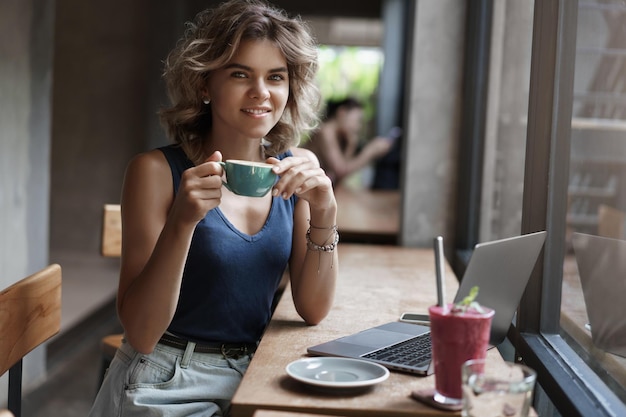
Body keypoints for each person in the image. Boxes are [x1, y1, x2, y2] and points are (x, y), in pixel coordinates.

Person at [88, 1, 338, 416]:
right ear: (205, 85)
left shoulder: (294, 173)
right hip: (165, 382)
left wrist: (326, 212)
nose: (261, 92)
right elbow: (143, 332)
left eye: (275, 77)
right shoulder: (156, 172)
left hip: (255, 374)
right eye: (240, 74)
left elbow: (312, 309)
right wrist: (183, 222)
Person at [305, 97, 400, 185]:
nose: (357, 126)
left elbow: (343, 172)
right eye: (357, 120)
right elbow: (340, 171)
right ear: (342, 112)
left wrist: (351, 144)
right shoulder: (326, 131)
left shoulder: (340, 136)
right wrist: (369, 152)